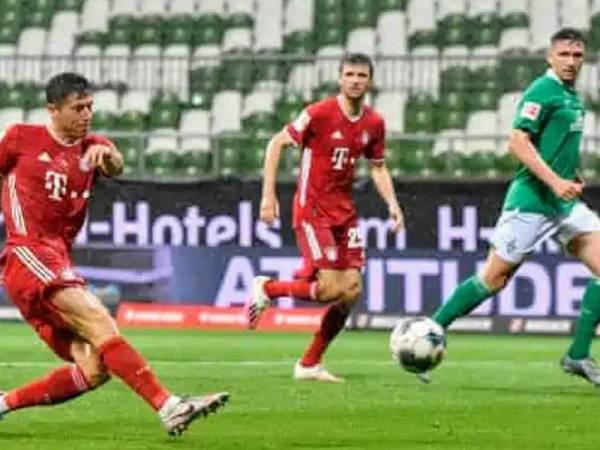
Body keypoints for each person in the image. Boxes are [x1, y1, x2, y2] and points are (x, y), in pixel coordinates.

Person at [0, 73, 228, 434]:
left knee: (94, 367)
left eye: (90, 107)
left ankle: (3, 403)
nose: (86, 114)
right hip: (27, 252)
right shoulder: (19, 139)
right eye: (78, 108)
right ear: (53, 110)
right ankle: (169, 405)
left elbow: (115, 164)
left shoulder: (92, 146)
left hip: (56, 259)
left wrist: (109, 160)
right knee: (101, 321)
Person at [430, 28, 600, 384]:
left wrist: (571, 177)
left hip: (564, 206)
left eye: (578, 55)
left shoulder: (572, 97)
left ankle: (578, 354)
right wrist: (555, 181)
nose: (571, 62)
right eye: (564, 55)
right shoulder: (542, 90)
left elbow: (556, 147)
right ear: (549, 57)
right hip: (532, 201)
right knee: (493, 279)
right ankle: (430, 330)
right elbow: (517, 142)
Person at [246, 53, 405, 382]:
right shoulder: (318, 114)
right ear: (339, 79)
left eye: (362, 75)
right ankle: (269, 288)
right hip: (313, 209)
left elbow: (377, 167)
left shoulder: (374, 124)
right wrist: (267, 196)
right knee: (332, 289)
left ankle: (309, 364)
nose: (356, 80)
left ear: (370, 81)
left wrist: (393, 203)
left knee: (351, 292)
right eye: (350, 74)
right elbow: (276, 143)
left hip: (344, 214)